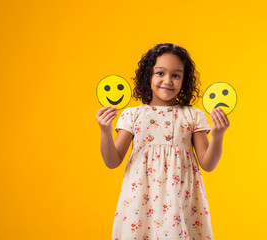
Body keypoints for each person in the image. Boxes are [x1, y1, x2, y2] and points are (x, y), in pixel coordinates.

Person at [96, 43, 230, 239]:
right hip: (140, 203)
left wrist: (218, 135)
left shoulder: (193, 116)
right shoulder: (133, 115)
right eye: (160, 73)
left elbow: (208, 164)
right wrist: (105, 131)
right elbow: (112, 160)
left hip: (180, 202)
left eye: (176, 75)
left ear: (184, 81)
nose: (167, 80)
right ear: (147, 76)